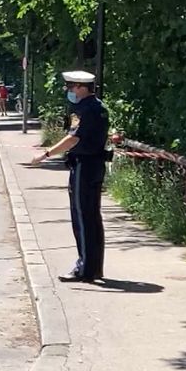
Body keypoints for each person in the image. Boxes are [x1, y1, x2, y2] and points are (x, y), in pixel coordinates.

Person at [30, 70, 109, 283]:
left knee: (82, 218)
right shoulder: (100, 108)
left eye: (71, 87)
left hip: (84, 166)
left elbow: (72, 140)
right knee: (92, 217)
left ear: (82, 87)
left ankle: (84, 268)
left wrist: (45, 155)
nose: (69, 91)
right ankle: (94, 267)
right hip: (95, 165)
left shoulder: (84, 110)